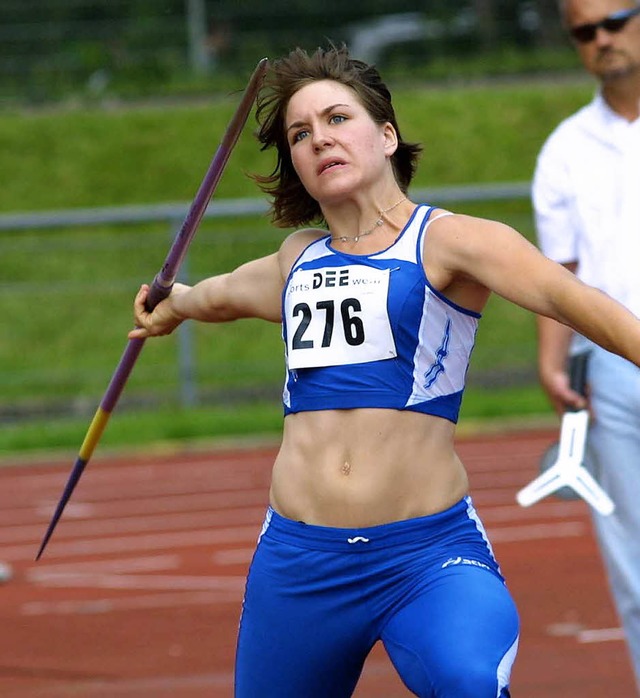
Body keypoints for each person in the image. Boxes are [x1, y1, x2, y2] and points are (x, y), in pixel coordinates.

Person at [130, 45, 640, 698]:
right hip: (299, 565)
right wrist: (169, 309)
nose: (320, 140)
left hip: (425, 557)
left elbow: (577, 302)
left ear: (388, 135)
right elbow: (220, 293)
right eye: (300, 134)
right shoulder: (299, 258)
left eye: (337, 119)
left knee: (466, 680)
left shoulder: (452, 242)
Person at [532, 0, 640, 690]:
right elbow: (556, 274)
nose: (602, 38)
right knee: (633, 557)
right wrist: (551, 361)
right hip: (613, 372)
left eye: (616, 20)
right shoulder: (564, 148)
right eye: (584, 31)